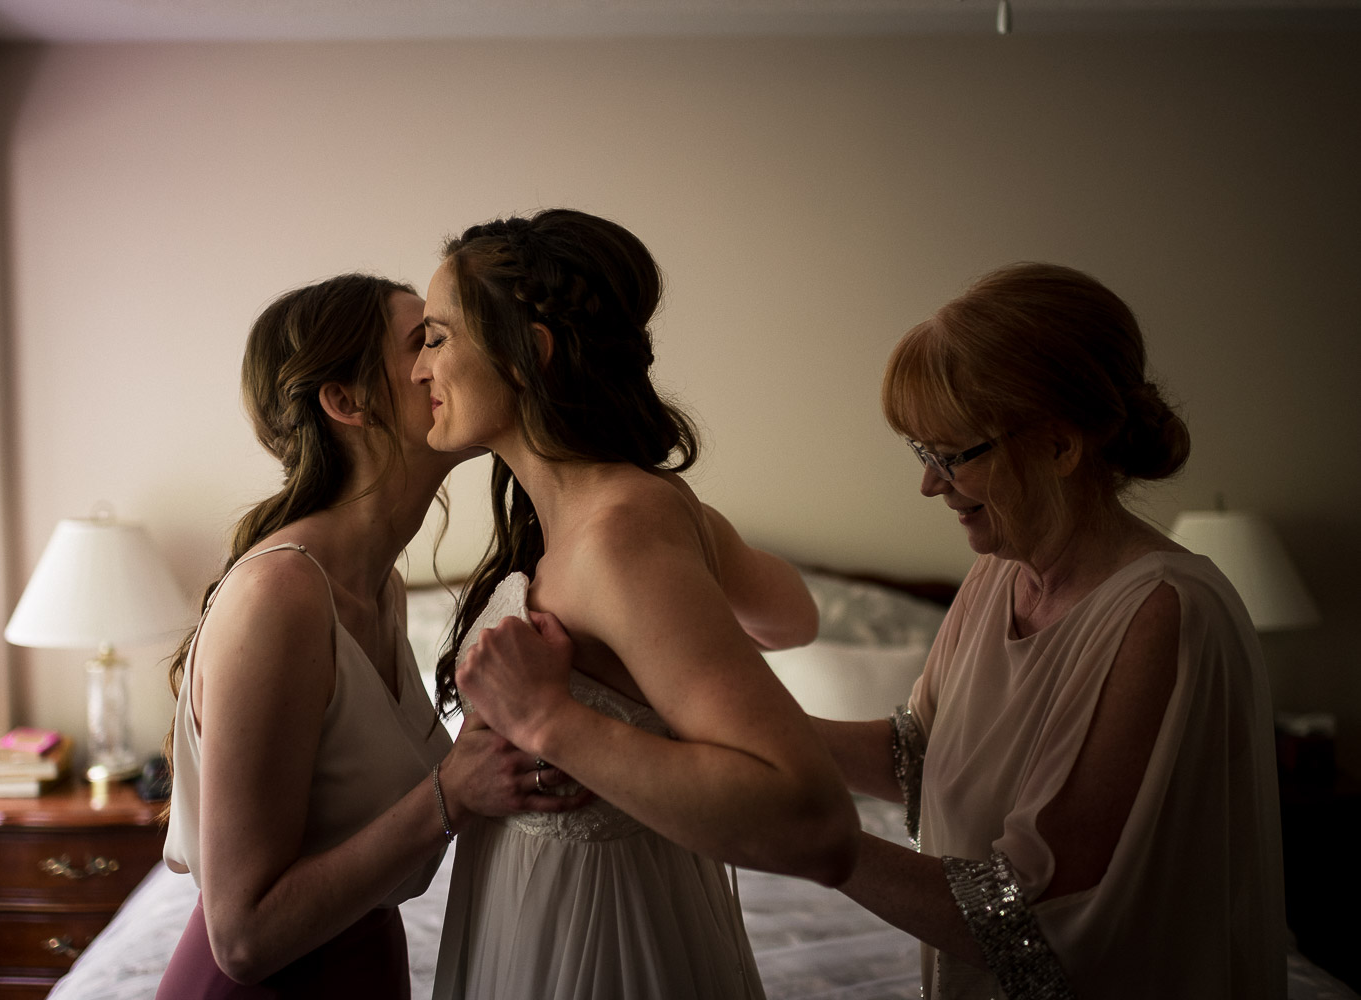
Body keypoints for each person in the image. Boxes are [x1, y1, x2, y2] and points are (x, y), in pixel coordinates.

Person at [409, 208, 861, 1000]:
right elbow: (792, 618)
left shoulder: (620, 539)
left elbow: (812, 822)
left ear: (529, 356)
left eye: (438, 337)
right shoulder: (637, 513)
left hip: (604, 942)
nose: (419, 369)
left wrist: (556, 722)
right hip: (543, 915)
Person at [807, 262, 1287, 998]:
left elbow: (1028, 916)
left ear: (1061, 447)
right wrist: (737, 723)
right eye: (921, 452)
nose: (930, 484)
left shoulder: (1163, 611)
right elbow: (919, 757)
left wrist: (816, 845)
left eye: (952, 455)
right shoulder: (1000, 573)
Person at [157, 272, 584, 999]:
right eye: (426, 340)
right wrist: (452, 793)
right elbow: (242, 936)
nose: (448, 359)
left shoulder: (377, 583)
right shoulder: (279, 597)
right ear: (346, 402)